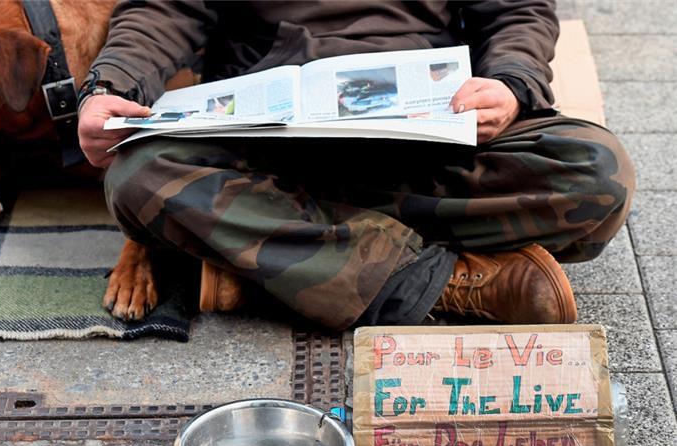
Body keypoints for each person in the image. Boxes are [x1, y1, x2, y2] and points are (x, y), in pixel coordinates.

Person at [76, 0, 635, 330]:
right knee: (136, 175)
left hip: (427, 132)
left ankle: (275, 261)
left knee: (596, 172)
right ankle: (445, 284)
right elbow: (163, 10)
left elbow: (517, 10)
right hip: (271, 142)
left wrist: (511, 83)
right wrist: (109, 88)